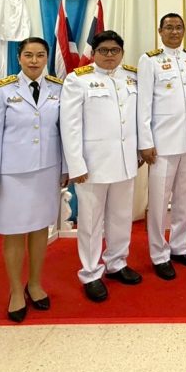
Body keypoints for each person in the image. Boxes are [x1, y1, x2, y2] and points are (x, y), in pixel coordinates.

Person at [0, 37, 67, 321]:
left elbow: (63, 132)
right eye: (28, 55)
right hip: (13, 174)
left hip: (46, 170)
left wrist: (65, 168)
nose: (34, 61)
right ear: (19, 58)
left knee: (41, 229)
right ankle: (16, 290)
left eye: (40, 55)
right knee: (15, 232)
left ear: (47, 58)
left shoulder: (57, 88)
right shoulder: (3, 90)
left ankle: (35, 283)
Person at [60, 30, 143, 302]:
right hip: (92, 165)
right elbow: (70, 126)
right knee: (91, 222)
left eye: (115, 50)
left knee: (121, 217)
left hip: (125, 161)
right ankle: (90, 272)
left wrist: (139, 151)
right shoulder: (78, 80)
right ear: (94, 53)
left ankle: (117, 262)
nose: (109, 55)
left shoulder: (131, 78)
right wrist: (76, 165)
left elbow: (137, 119)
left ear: (122, 52)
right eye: (104, 50)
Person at [137, 13, 186, 280]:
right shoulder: (150, 60)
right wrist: (145, 142)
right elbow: (143, 105)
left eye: (179, 27)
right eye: (169, 27)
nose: (174, 31)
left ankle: (180, 246)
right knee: (159, 202)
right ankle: (159, 254)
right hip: (162, 144)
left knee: (184, 199)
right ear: (160, 31)